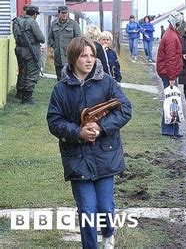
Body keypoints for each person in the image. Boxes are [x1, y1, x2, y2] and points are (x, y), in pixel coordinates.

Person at [46, 36, 132, 249]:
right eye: (84, 55)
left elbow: (125, 109)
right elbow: (54, 121)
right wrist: (78, 132)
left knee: (104, 208)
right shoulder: (60, 89)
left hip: (105, 154)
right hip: (77, 157)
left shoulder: (107, 83)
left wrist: (101, 128)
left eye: (92, 55)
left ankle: (109, 233)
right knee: (87, 210)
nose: (89, 59)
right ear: (73, 58)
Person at [156, 11, 184, 138]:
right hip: (168, 73)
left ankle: (171, 128)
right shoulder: (171, 37)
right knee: (171, 101)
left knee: (171, 100)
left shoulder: (170, 34)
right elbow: (171, 59)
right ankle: (169, 129)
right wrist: (172, 78)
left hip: (167, 71)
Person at [11, 5, 45, 104]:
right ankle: (27, 97)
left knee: (23, 71)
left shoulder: (16, 21)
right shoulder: (32, 22)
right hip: (31, 50)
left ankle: (20, 92)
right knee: (32, 73)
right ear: (34, 14)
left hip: (19, 49)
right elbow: (41, 38)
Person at [48, 5, 81, 81]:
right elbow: (50, 38)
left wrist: (73, 48)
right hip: (58, 55)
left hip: (70, 55)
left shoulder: (73, 24)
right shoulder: (54, 24)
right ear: (59, 13)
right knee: (59, 77)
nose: (64, 15)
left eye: (66, 13)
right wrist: (55, 46)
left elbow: (78, 39)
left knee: (71, 76)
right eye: (62, 13)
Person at [11, 4, 29, 100]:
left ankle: (25, 90)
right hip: (21, 48)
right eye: (26, 10)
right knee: (23, 69)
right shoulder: (17, 21)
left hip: (28, 49)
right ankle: (20, 91)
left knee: (27, 70)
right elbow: (17, 36)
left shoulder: (29, 21)